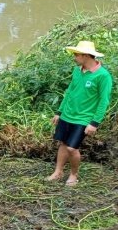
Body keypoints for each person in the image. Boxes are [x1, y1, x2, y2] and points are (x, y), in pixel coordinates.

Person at [48, 40, 113, 186]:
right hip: (67, 114)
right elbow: (70, 91)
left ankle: (73, 175)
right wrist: (59, 112)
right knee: (63, 143)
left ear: (86, 56)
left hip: (84, 118)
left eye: (76, 54)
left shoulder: (103, 76)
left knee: (72, 147)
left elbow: (104, 101)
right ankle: (58, 172)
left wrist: (94, 123)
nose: (74, 57)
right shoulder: (77, 70)